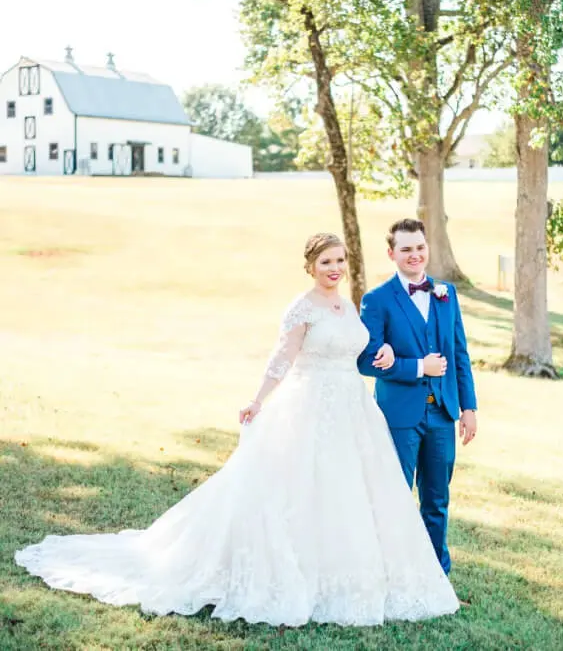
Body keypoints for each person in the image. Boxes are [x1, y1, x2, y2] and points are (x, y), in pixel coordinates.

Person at [15, 233, 458, 627]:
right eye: (326, 262)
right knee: (300, 489)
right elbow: (281, 358)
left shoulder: (347, 306)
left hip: (353, 410)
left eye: (340, 260)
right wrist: (258, 399)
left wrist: (381, 355)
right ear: (310, 266)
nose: (335, 268)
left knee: (352, 493)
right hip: (309, 407)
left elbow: (360, 350)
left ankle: (356, 574)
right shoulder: (302, 307)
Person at [358, 218, 477, 575]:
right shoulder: (377, 300)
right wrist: (416, 367)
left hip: (442, 412)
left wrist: (468, 408)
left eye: (420, 248)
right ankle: (391, 570)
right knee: (394, 495)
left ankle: (435, 574)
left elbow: (459, 353)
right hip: (399, 416)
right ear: (392, 253)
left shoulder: (446, 294)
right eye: (406, 249)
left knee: (437, 500)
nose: (415, 255)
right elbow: (365, 359)